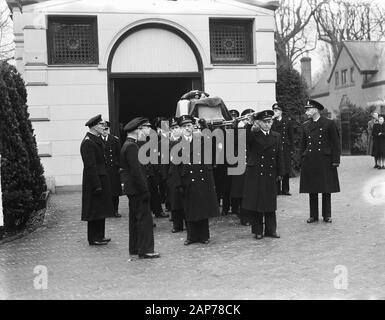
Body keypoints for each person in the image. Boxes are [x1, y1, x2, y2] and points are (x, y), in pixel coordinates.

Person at [172, 115, 219, 245]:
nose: (187, 128)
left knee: (202, 208)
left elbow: (213, 142)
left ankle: (204, 236)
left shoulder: (201, 140)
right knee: (190, 209)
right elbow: (174, 167)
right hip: (186, 180)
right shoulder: (176, 144)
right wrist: (178, 184)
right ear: (181, 129)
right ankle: (191, 236)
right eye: (184, 126)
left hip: (201, 178)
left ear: (193, 127)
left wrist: (205, 126)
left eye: (189, 126)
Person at [120, 117, 160, 259]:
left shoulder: (128, 144)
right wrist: (145, 190)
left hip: (133, 189)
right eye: (146, 128)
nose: (147, 131)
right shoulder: (132, 147)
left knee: (135, 219)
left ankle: (136, 248)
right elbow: (137, 172)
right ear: (138, 130)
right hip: (138, 189)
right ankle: (146, 250)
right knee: (144, 220)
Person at [242, 110, 284, 240]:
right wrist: (249, 124)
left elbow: (279, 156)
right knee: (257, 203)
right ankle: (258, 230)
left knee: (270, 203)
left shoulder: (276, 136)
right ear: (259, 123)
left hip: (270, 173)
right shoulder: (253, 135)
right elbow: (245, 139)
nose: (267, 124)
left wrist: (281, 173)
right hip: (256, 173)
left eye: (269, 121)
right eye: (265, 122)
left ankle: (271, 230)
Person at [300, 99, 340, 223]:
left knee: (326, 188)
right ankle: (313, 215)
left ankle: (327, 214)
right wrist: (302, 158)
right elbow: (303, 144)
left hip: (325, 160)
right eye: (306, 109)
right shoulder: (306, 125)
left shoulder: (329, 123)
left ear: (316, 110)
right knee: (312, 188)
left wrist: (335, 160)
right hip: (310, 160)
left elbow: (335, 143)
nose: (306, 111)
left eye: (309, 109)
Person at [80, 114, 114, 245]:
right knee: (94, 210)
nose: (103, 126)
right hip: (94, 181)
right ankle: (93, 238)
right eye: (100, 124)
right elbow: (90, 166)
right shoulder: (88, 142)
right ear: (94, 126)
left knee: (101, 209)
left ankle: (100, 235)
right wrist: (96, 185)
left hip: (101, 178)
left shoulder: (95, 139)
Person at [230, 108, 255, 225]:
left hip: (251, 164)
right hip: (239, 163)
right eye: (245, 118)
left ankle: (252, 216)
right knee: (241, 192)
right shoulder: (238, 130)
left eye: (248, 118)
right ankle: (244, 217)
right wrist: (234, 128)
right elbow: (233, 143)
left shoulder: (254, 129)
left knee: (251, 192)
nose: (246, 121)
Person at [167, 116, 185, 232]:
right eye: (173, 128)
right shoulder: (165, 143)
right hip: (172, 175)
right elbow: (163, 162)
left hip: (184, 173)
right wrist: (165, 177)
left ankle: (188, 223)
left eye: (177, 127)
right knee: (175, 202)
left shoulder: (186, 140)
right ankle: (177, 225)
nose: (175, 130)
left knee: (185, 201)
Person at [271, 103, 294, 195]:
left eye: (277, 110)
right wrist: (273, 119)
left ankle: (285, 189)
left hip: (285, 147)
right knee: (276, 166)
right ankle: (276, 189)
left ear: (281, 111)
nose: (275, 112)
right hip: (275, 147)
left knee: (286, 168)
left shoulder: (287, 121)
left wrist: (291, 148)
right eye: (274, 110)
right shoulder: (271, 121)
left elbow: (291, 135)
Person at [101, 121, 122, 217]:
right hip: (104, 169)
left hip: (113, 169)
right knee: (105, 191)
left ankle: (115, 210)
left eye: (106, 129)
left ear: (109, 129)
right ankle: (106, 210)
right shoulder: (97, 140)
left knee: (115, 191)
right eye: (103, 129)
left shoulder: (115, 140)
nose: (104, 131)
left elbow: (119, 154)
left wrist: (118, 165)